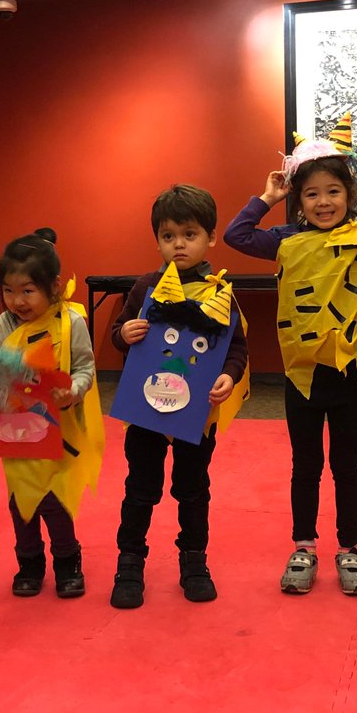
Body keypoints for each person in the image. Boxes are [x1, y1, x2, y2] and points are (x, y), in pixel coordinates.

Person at [224, 114, 357, 595]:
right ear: (299, 201)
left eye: (333, 191)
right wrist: (267, 198)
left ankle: (350, 548)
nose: (323, 202)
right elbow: (236, 235)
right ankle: (304, 546)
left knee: (347, 465)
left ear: (349, 195)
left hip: (349, 372)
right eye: (311, 194)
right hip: (302, 374)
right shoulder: (286, 240)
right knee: (306, 464)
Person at [108, 185, 249, 608]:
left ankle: (194, 561)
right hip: (146, 412)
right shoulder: (146, 286)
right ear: (158, 240)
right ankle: (129, 562)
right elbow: (117, 335)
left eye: (189, 234)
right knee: (140, 487)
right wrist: (124, 333)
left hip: (196, 415)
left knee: (193, 489)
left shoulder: (220, 292)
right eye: (168, 236)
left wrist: (228, 377)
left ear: (211, 237)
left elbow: (236, 348)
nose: (178, 245)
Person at [0, 228, 104, 598]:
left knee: (56, 500)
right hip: (16, 430)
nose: (17, 301)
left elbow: (85, 368)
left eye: (27, 291)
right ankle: (29, 562)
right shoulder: (3, 324)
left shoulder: (71, 322)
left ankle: (67, 560)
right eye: (8, 291)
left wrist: (72, 392)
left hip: (61, 429)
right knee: (20, 500)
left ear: (53, 286)